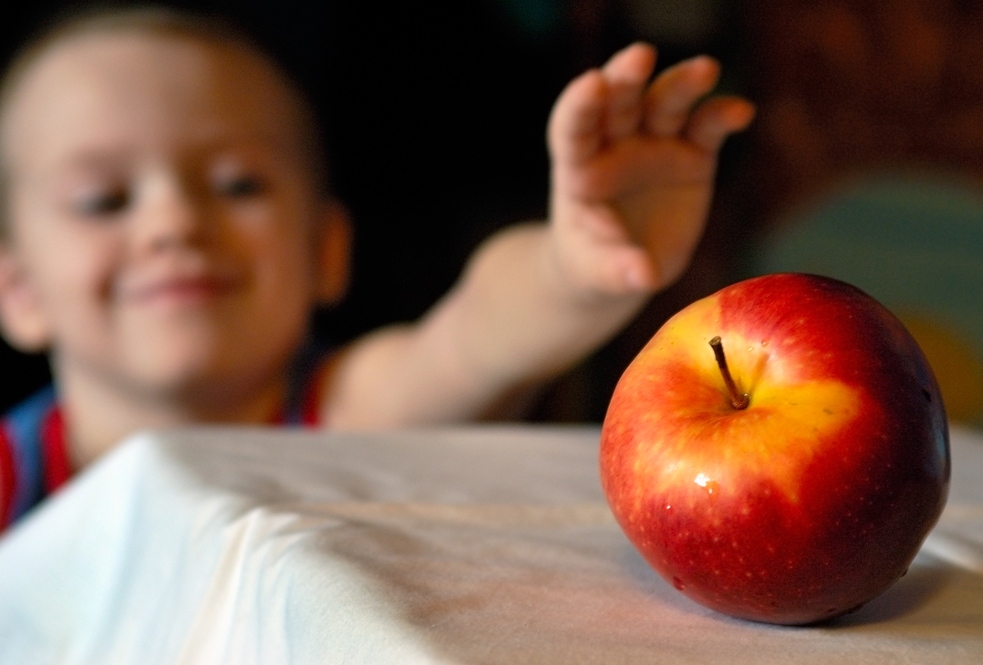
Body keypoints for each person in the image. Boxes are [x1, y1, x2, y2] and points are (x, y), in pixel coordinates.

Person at [0, 7, 754, 532]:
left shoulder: (348, 411)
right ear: (18, 288)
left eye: (238, 185)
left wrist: (569, 264)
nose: (174, 222)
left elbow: (472, 336)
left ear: (326, 252)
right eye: (103, 199)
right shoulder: (10, 474)